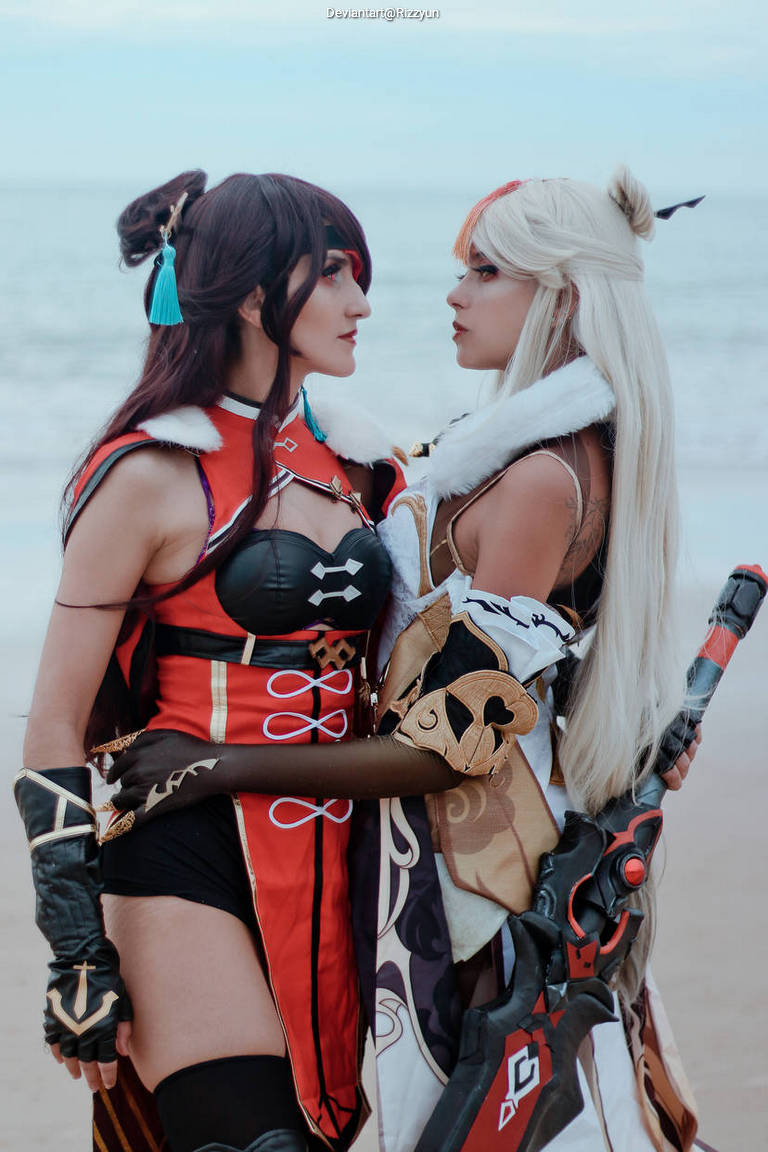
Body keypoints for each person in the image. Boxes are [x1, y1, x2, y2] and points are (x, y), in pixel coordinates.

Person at [108, 168, 701, 1152]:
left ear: (560, 292)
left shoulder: (542, 479)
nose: (452, 294)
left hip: (473, 885)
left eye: (483, 272)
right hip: (450, 855)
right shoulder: (519, 456)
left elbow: (444, 751)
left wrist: (211, 766)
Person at [14, 169, 416, 1152]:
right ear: (251, 295)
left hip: (337, 862)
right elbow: (54, 722)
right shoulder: (150, 472)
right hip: (180, 854)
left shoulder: (366, 468)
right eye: (332, 275)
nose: (361, 303)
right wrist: (75, 949)